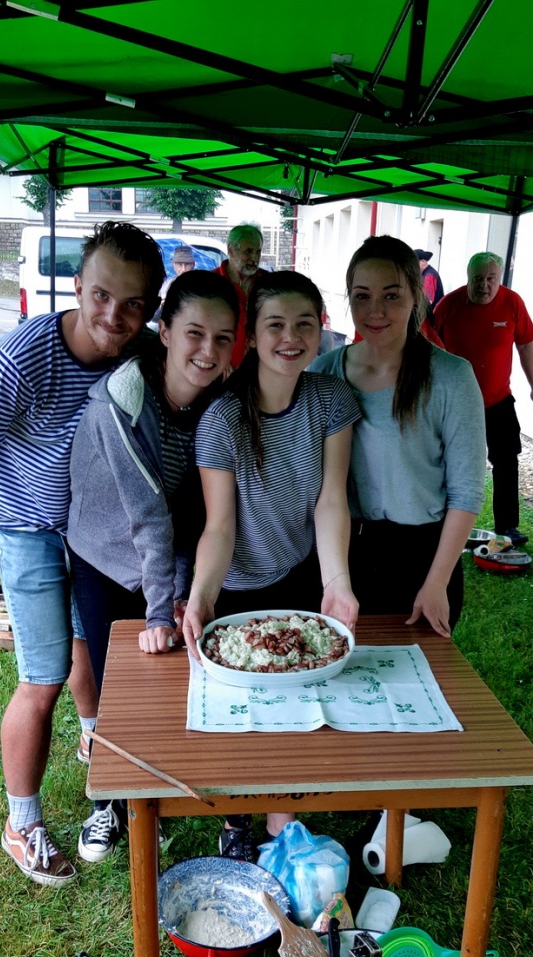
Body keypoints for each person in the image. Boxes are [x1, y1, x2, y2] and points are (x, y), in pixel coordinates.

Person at [0, 221, 165, 887]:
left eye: (133, 303)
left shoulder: (142, 353)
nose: (114, 315)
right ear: (77, 287)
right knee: (42, 677)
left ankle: (97, 745)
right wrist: (18, 490)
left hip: (94, 533)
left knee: (89, 651)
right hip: (30, 531)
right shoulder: (24, 356)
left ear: (151, 306)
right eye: (102, 295)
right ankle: (22, 823)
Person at [183, 270, 360, 861]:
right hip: (235, 589)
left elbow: (331, 501)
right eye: (275, 325)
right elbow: (219, 526)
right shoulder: (222, 419)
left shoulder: (331, 401)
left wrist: (337, 583)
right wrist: (203, 596)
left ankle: (283, 822)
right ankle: (236, 818)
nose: (291, 337)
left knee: (297, 708)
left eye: (304, 324)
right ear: (252, 336)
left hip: (302, 572)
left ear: (321, 330)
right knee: (241, 715)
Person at [67, 270, 239, 862]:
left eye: (222, 338)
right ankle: (108, 804)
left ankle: (152, 795)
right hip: (102, 553)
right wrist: (159, 609)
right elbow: (148, 515)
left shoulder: (218, 403)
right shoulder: (121, 399)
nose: (208, 350)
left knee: (165, 681)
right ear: (164, 331)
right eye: (195, 333)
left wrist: (184, 587)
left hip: (166, 555)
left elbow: (195, 511)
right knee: (113, 685)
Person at [311, 235, 486, 637]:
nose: (375, 311)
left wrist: (437, 582)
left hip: (425, 560)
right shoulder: (322, 373)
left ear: (416, 298)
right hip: (343, 556)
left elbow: (466, 493)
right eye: (362, 296)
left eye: (391, 296)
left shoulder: (451, 377)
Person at [432, 251, 533, 546]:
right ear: (468, 277)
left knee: (507, 460)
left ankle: (507, 526)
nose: (484, 285)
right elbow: (430, 350)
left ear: (500, 278)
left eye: (491, 278)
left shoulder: (512, 303)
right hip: (456, 402)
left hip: (498, 400)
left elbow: (526, 345)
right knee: (451, 463)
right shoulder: (448, 305)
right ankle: (444, 524)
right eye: (478, 278)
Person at [213, 224, 268, 368]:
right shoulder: (211, 282)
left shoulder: (268, 283)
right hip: (222, 368)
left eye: (258, 252)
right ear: (231, 250)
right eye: (248, 251)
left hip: (261, 368)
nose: (254, 258)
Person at [414, 249, 444, 313]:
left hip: (432, 315)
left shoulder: (429, 276)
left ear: (423, 261)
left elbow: (427, 302)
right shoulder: (426, 273)